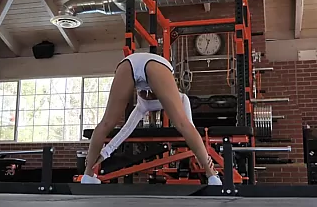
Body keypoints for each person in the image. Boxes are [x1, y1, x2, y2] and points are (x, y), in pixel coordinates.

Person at [81, 52, 222, 185]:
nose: (149, 96)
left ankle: (87, 175)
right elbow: (187, 125)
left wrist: (107, 152)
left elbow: (126, 130)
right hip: (154, 65)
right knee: (182, 124)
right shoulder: (177, 98)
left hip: (127, 64)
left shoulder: (142, 105)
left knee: (106, 122)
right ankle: (212, 176)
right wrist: (200, 153)